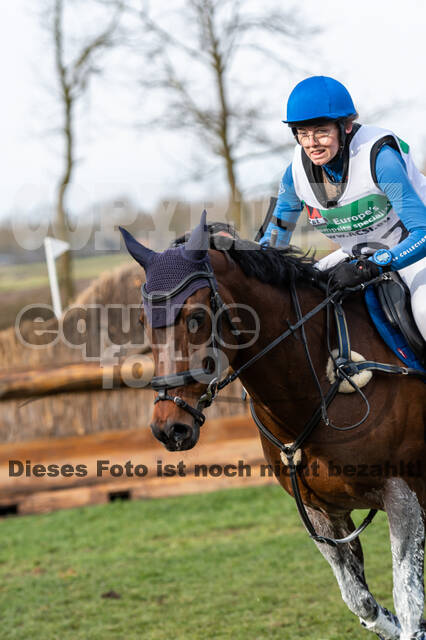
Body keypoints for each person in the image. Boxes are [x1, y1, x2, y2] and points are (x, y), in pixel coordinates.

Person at [260, 75, 426, 341]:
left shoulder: (381, 159)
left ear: (346, 126)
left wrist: (373, 267)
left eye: (321, 131)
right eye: (303, 133)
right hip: (357, 254)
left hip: (412, 250)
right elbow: (272, 242)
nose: (311, 143)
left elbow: (423, 233)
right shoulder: (294, 176)